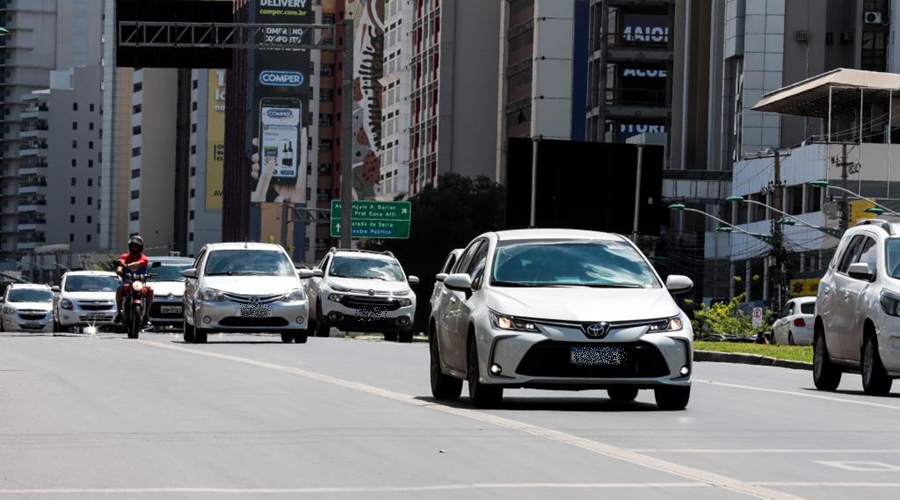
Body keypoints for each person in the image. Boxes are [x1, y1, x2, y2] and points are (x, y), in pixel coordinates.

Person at [115, 235, 154, 327]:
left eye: (136, 246)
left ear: (140, 247)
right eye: (133, 246)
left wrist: (128, 265)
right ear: (130, 247)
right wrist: (119, 269)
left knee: (151, 290)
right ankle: (119, 313)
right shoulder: (125, 256)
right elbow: (121, 262)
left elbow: (138, 263)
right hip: (127, 283)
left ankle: (146, 316)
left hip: (140, 283)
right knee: (119, 289)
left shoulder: (144, 258)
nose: (134, 248)